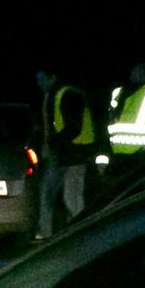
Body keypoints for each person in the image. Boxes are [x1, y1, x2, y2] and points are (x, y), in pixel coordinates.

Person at [31, 69, 97, 239]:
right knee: (47, 194)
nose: (39, 83)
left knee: (72, 197)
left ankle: (78, 233)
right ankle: (44, 233)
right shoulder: (50, 96)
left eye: (42, 78)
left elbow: (74, 127)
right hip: (59, 155)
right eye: (37, 79)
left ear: (53, 77)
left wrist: (54, 142)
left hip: (74, 155)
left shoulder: (68, 95)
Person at [108, 62, 145, 155]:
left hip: (143, 152)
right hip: (119, 152)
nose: (137, 72)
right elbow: (110, 119)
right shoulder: (117, 92)